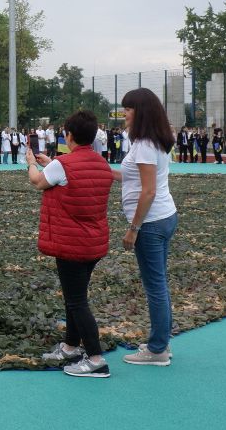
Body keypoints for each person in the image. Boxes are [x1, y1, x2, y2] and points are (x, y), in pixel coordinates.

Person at [26, 109, 116, 379]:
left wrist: (31, 162)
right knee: (74, 297)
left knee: (77, 301)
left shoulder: (63, 164)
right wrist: (50, 162)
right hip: (94, 241)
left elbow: (38, 182)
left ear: (69, 135)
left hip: (71, 242)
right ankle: (70, 346)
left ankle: (96, 358)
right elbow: (73, 177)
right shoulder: (101, 164)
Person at [117, 88, 179, 367]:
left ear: (140, 112)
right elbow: (127, 177)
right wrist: (93, 168)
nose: (124, 114)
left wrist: (134, 228)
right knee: (159, 284)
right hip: (163, 217)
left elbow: (148, 191)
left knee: (154, 286)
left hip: (152, 223)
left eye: (128, 109)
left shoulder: (144, 144)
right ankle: (161, 341)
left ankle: (157, 350)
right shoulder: (150, 141)